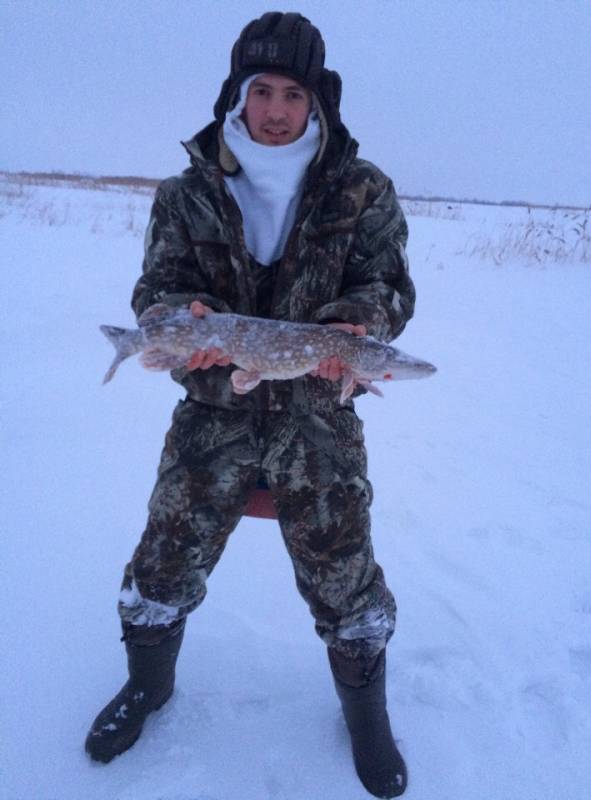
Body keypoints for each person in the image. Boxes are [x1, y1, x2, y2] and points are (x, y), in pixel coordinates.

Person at [85, 12, 416, 799]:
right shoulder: (188, 190)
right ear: (237, 92)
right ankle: (149, 685)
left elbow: (390, 288)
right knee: (163, 562)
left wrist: (363, 324)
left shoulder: (362, 189)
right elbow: (157, 289)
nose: (274, 108)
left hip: (318, 416)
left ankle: (366, 715)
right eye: (259, 89)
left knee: (346, 579)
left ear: (317, 100)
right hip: (214, 408)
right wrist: (186, 318)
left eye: (292, 93)